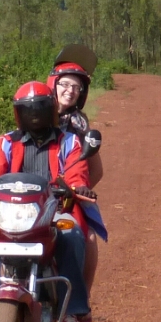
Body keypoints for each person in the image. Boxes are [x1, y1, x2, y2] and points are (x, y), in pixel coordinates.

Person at [0, 81, 97, 322]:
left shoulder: (70, 142)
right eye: (28, 110)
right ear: (18, 113)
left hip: (53, 210)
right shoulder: (6, 142)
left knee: (73, 236)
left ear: (51, 110)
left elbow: (76, 172)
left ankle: (70, 312)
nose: (34, 115)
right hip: (10, 211)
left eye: (40, 109)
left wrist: (77, 186)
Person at [48, 49, 104, 295]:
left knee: (88, 236)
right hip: (31, 192)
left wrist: (78, 189)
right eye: (65, 84)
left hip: (67, 193)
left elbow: (96, 170)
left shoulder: (80, 125)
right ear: (53, 83)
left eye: (76, 87)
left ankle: (81, 300)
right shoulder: (35, 110)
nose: (70, 91)